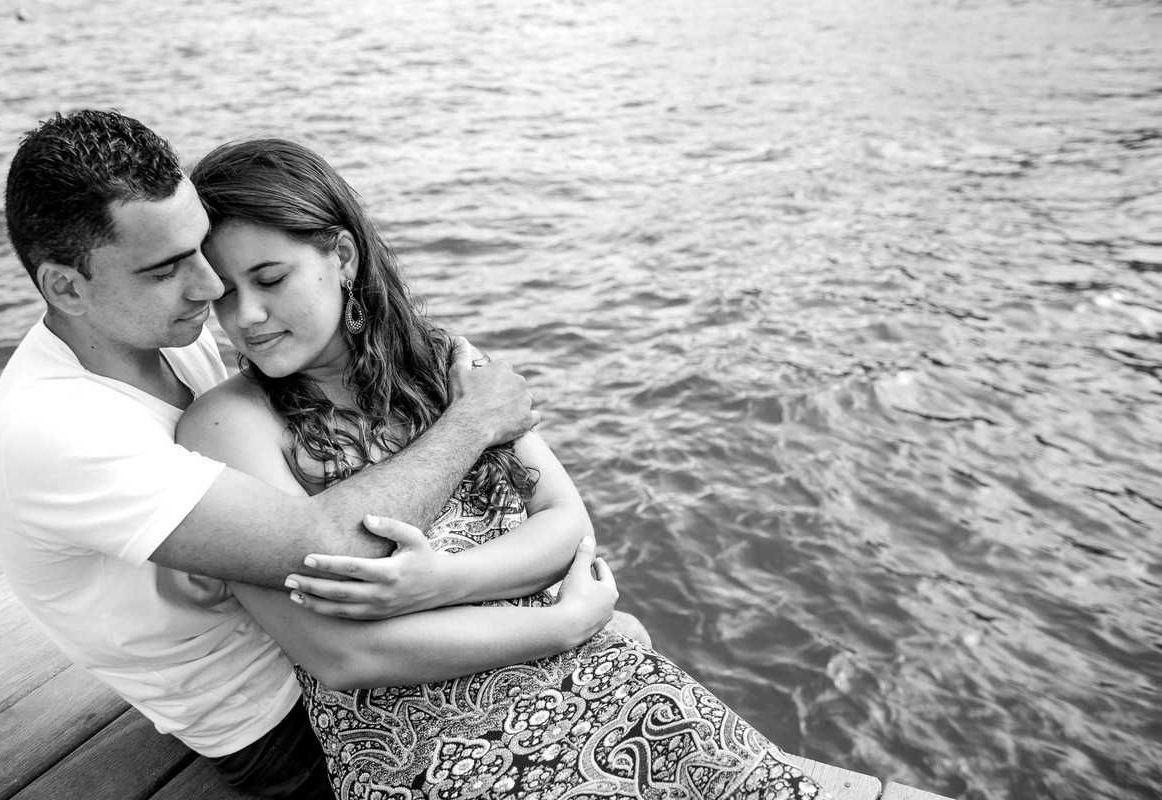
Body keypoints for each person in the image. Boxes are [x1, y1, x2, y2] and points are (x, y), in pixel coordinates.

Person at [181, 138, 823, 799]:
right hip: (433, 745)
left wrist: (439, 581)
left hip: (598, 677)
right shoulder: (229, 427)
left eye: (269, 280)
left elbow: (566, 522)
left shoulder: (445, 364)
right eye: (223, 294)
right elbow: (342, 656)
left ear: (341, 256)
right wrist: (560, 622)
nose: (245, 318)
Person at [0, 110, 552, 798]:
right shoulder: (54, 431)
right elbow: (326, 544)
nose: (211, 287)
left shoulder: (164, 328)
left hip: (344, 640)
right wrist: (474, 420)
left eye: (198, 248)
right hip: (276, 718)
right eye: (166, 267)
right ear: (66, 286)